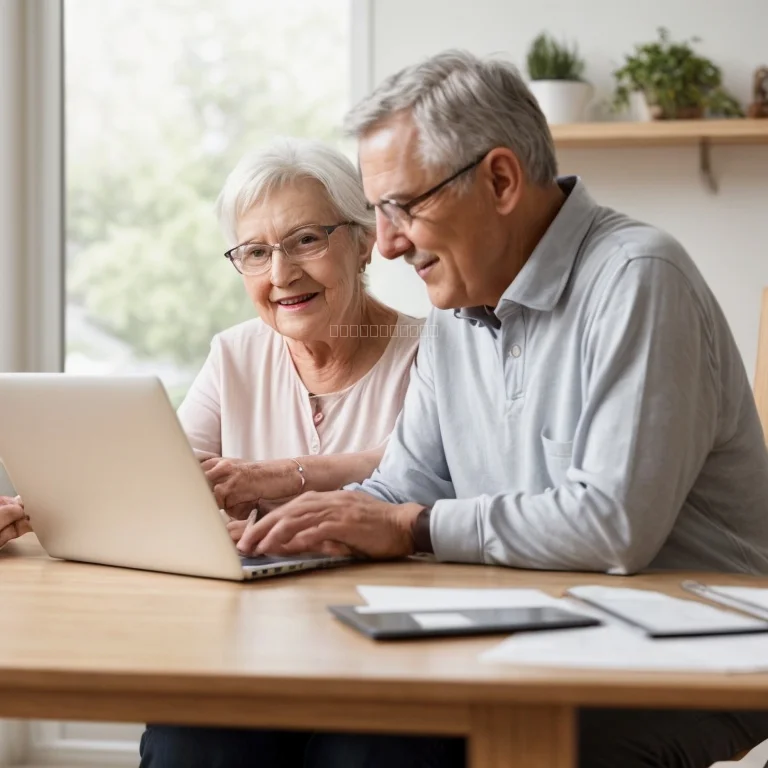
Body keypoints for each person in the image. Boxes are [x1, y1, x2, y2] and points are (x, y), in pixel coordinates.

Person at [143, 52, 768, 767]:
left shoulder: (636, 279)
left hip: (683, 649)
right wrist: (301, 535)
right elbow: (401, 488)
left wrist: (407, 525)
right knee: (208, 731)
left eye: (403, 206)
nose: (386, 242)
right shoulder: (458, 311)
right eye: (378, 212)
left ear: (500, 180)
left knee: (371, 752)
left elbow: (611, 526)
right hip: (522, 626)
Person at [175, 137, 424, 538]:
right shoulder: (234, 355)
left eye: (306, 239)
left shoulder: (430, 354)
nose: (280, 274)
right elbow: (169, 471)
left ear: (365, 241)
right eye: (256, 252)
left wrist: (276, 476)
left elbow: (421, 468)